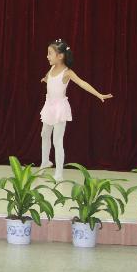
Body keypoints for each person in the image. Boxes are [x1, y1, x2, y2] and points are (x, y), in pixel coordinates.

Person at [39, 38, 113, 180]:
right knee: (44, 134)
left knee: (57, 140)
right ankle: (45, 162)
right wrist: (45, 79)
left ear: (60, 56)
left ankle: (59, 173)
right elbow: (49, 78)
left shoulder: (67, 72)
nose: (47, 56)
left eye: (50, 53)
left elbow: (82, 83)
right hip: (49, 106)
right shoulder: (52, 68)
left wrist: (98, 94)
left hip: (59, 108)